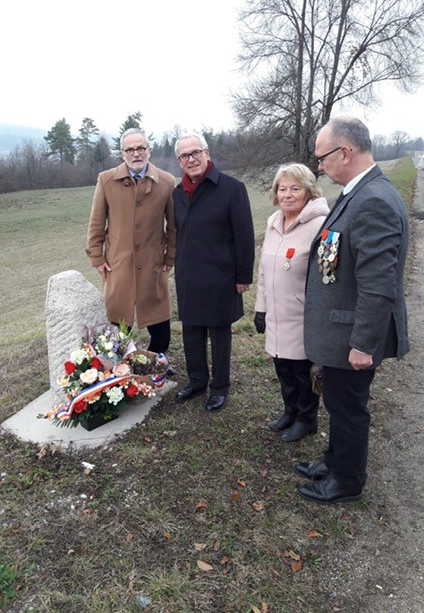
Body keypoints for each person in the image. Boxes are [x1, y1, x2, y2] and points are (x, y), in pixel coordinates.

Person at [296, 116, 409, 504]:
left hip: (351, 336)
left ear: (345, 152)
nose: (320, 165)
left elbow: (378, 285)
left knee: (348, 408)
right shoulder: (358, 192)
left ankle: (346, 481)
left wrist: (362, 344)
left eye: (322, 157)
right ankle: (335, 462)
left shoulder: (373, 200)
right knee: (338, 403)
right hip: (339, 330)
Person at [173, 132, 255, 412]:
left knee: (219, 335)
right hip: (188, 276)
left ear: (207, 153)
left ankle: (219, 387)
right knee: (191, 332)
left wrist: (243, 276)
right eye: (185, 155)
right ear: (179, 161)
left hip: (221, 276)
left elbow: (244, 236)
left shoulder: (232, 188)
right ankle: (197, 381)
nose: (191, 159)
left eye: (196, 152)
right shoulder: (177, 194)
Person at [86, 128, 176, 364]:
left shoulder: (166, 182)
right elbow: (97, 221)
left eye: (140, 148)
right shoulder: (106, 180)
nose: (136, 154)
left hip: (153, 264)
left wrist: (170, 257)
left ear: (149, 150)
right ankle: (119, 370)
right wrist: (97, 257)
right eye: (130, 149)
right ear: (122, 153)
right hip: (118, 264)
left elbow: (173, 225)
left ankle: (153, 367)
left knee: (161, 330)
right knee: (117, 328)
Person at [254, 164, 329, 442]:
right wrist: (260, 308)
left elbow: (327, 275)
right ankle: (290, 411)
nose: (287, 194)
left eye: (295, 189)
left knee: (302, 371)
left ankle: (307, 419)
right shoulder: (274, 222)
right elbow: (264, 271)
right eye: (282, 189)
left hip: (302, 314)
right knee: (282, 367)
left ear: (309, 192)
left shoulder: (320, 225)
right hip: (276, 313)